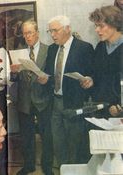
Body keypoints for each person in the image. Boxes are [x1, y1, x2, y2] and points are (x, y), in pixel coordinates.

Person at [43, 15, 94, 170]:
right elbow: (50, 74)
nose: (52, 34)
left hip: (74, 103)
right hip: (55, 102)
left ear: (67, 29)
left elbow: (93, 73)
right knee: (58, 142)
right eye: (50, 31)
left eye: (55, 30)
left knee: (75, 142)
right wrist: (45, 79)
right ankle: (64, 170)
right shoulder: (52, 49)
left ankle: (75, 171)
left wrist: (89, 79)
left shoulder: (84, 47)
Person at [10, 20, 53, 175]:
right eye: (24, 33)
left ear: (37, 33)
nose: (27, 36)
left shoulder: (49, 50)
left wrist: (47, 79)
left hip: (43, 100)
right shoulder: (18, 52)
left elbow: (54, 76)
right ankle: (29, 165)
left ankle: (47, 167)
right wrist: (13, 72)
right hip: (24, 101)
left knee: (46, 136)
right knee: (26, 137)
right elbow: (14, 79)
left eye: (30, 32)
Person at [89, 5, 123, 117]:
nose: (96, 30)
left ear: (115, 24)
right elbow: (96, 74)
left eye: (101, 26)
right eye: (96, 26)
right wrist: (90, 80)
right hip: (100, 109)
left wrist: (120, 106)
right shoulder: (100, 46)